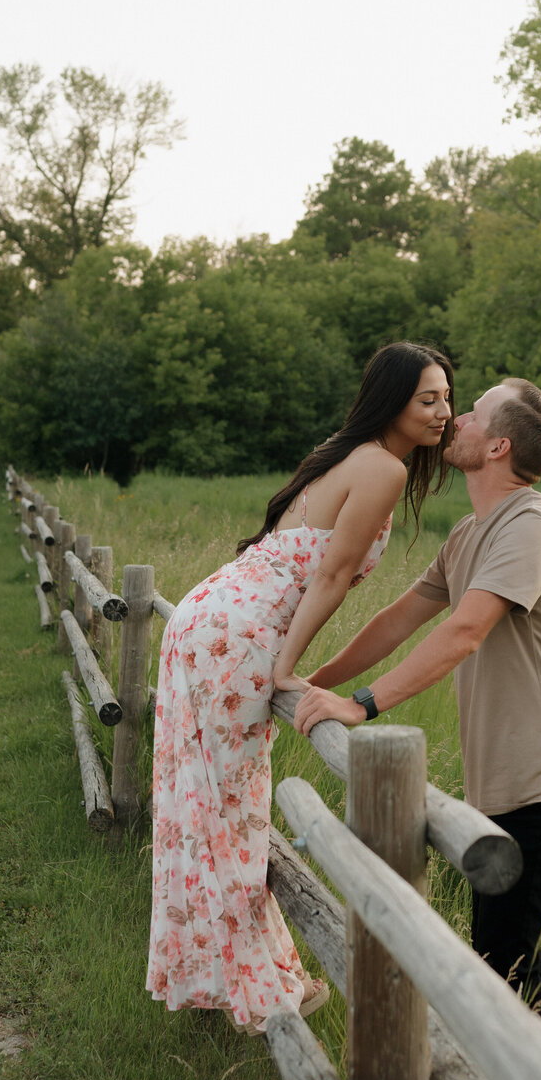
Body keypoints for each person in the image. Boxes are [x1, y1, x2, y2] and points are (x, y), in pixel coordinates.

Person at [146, 342, 454, 1034]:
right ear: (391, 401)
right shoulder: (379, 466)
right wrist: (287, 668)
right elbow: (331, 576)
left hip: (215, 617)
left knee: (208, 803)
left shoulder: (345, 452)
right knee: (229, 809)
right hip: (238, 634)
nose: (444, 413)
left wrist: (283, 661)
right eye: (427, 399)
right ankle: (255, 991)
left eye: (447, 398)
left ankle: (238, 975)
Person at [294, 377, 541, 1045]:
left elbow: (463, 633)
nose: (454, 418)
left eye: (472, 412)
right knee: (506, 963)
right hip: (503, 783)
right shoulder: (469, 533)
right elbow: (398, 620)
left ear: (498, 445)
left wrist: (360, 704)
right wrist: (305, 680)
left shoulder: (532, 525)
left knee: (502, 967)